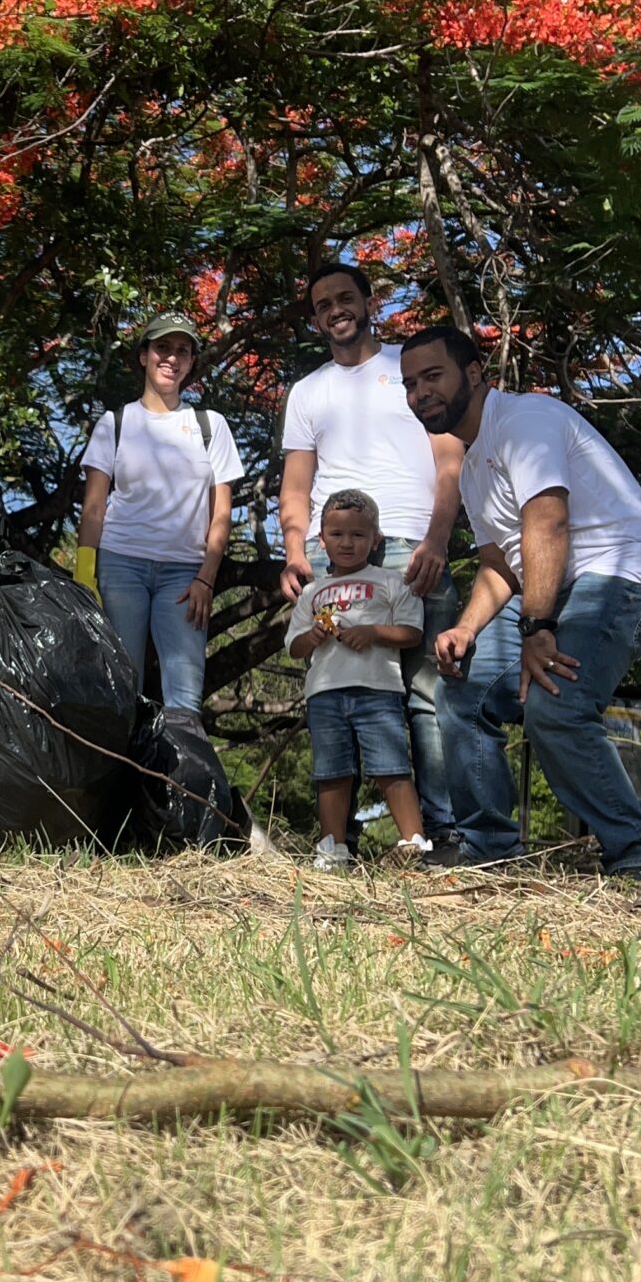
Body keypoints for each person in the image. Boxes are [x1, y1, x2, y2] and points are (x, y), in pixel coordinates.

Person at [399, 326, 641, 882]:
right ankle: (488, 851)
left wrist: (538, 627)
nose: (420, 393)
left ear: (474, 373)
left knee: (556, 706)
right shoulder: (474, 460)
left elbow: (547, 521)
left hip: (625, 573)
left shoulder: (524, 420)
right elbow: (500, 565)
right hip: (553, 592)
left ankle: (640, 857)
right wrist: (467, 628)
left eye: (433, 376)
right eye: (410, 384)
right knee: (459, 692)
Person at [278, 261, 464, 846]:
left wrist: (438, 539)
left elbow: (449, 461)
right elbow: (295, 485)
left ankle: (439, 835)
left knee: (429, 698)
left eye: (345, 297)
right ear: (316, 320)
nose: (335, 309)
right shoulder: (308, 391)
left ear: (368, 301)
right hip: (332, 561)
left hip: (412, 548)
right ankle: (340, 844)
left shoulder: (407, 370)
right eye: (322, 304)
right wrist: (293, 551)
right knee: (340, 694)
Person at [73, 311, 243, 720]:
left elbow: (221, 513)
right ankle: (118, 781)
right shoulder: (115, 423)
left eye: (182, 351)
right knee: (119, 683)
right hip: (120, 565)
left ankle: (181, 782)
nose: (172, 358)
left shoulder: (210, 425)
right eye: (162, 348)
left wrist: (207, 577)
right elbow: (94, 507)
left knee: (185, 694)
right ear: (144, 356)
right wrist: (84, 575)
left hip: (185, 575)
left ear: (190, 362)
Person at [285, 489, 430, 868]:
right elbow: (294, 646)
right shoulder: (312, 593)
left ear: (375, 540)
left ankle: (413, 843)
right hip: (325, 693)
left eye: (358, 535)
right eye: (337, 535)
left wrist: (374, 633)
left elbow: (412, 632)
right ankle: (333, 849)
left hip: (377, 690)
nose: (347, 543)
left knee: (390, 766)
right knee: (331, 771)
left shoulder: (390, 582)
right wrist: (312, 636)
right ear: (322, 540)